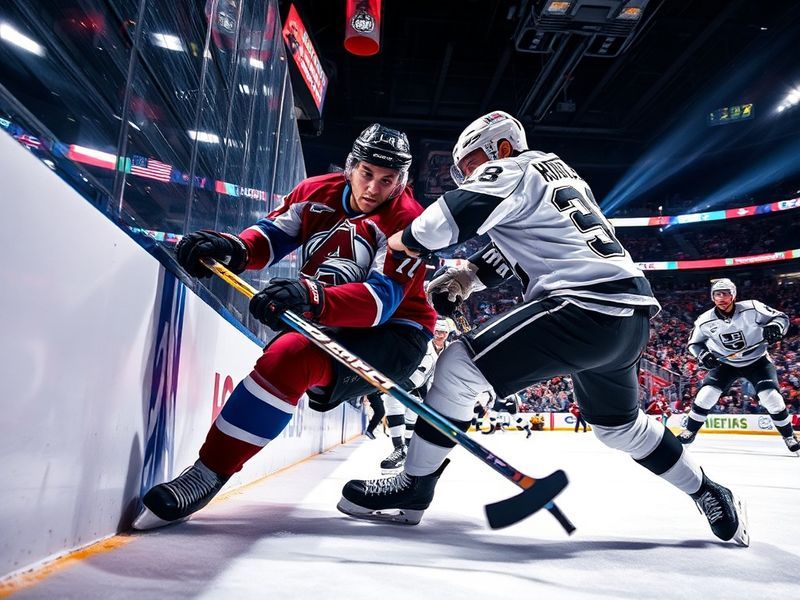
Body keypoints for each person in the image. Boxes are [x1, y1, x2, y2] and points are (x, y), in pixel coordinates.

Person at [337, 110, 749, 546]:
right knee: (620, 427)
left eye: (473, 163)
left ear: (500, 146)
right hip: (628, 317)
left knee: (458, 364)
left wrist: (393, 242)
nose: (469, 175)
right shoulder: (556, 176)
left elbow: (438, 226)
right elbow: (516, 249)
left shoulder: (513, 166)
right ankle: (708, 490)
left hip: (584, 307)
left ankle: (412, 486)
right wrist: (465, 278)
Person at [132, 124, 436, 530]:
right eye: (366, 173)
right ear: (350, 167)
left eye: (387, 180)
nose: (373, 189)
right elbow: (271, 237)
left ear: (402, 181)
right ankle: (208, 472)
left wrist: (311, 297)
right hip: (332, 316)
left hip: (395, 335)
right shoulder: (315, 191)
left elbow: (380, 302)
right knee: (284, 358)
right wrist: (234, 247)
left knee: (293, 355)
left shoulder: (408, 220)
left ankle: (210, 470)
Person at [678, 278, 799, 455]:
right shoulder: (704, 320)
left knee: (772, 399)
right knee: (705, 396)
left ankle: (789, 437)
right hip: (725, 363)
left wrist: (776, 326)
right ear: (712, 298)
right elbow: (694, 344)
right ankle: (689, 432)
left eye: (725, 293)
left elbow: (781, 317)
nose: (721, 297)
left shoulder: (753, 307)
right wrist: (703, 355)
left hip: (757, 360)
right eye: (717, 294)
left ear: (733, 295)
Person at [380, 318, 451, 471]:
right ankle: (398, 449)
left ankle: (407, 450)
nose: (439, 335)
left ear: (448, 334)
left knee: (412, 418)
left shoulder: (449, 351)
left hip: (423, 391)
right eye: (437, 331)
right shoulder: (423, 344)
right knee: (393, 405)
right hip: (402, 383)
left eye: (443, 332)